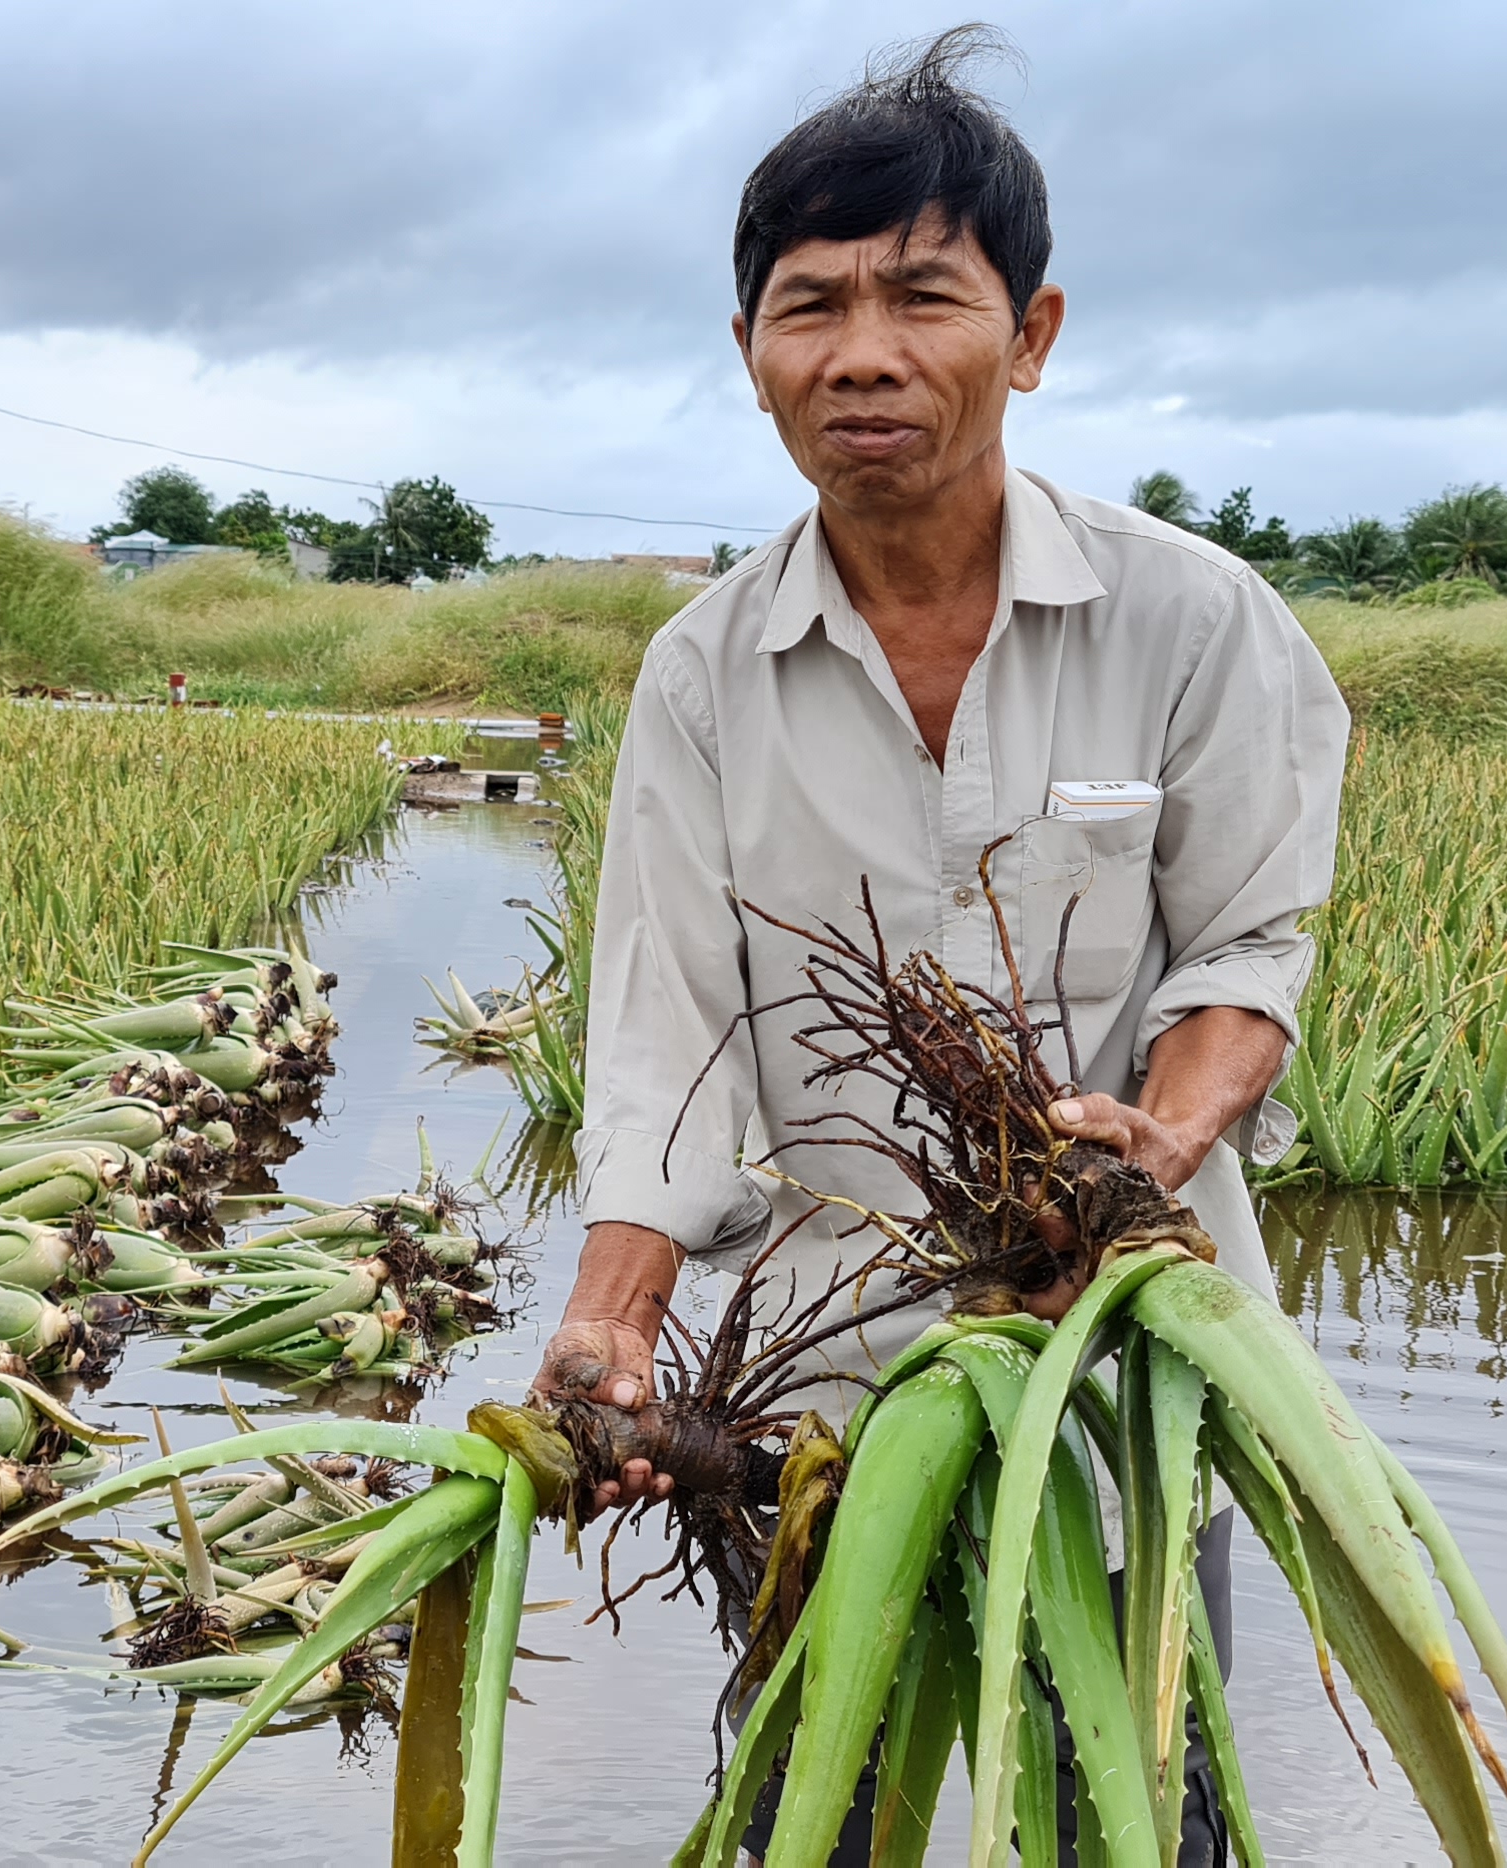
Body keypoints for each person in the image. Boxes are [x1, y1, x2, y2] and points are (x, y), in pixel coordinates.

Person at [528, 28, 1348, 1866]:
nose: (863, 353)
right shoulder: (702, 673)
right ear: (750, 358)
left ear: (1032, 333)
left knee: (1144, 1824)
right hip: (821, 1398)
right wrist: (617, 1303)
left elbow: (1247, 955)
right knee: (805, 1824)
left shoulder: (1197, 623)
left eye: (923, 295)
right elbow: (667, 1019)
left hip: (1120, 1369)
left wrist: (1162, 1141)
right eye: (807, 305)